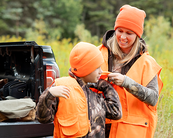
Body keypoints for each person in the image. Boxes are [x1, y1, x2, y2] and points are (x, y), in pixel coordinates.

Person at [98, 4, 163, 138]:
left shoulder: (147, 63)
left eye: (129, 33)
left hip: (128, 132)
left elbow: (153, 98)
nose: (123, 37)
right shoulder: (97, 53)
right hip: (97, 128)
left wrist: (126, 82)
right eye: (120, 30)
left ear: (138, 35)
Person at [36, 42, 122, 138]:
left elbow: (116, 113)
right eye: (97, 68)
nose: (101, 71)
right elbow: (43, 118)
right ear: (86, 69)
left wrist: (105, 86)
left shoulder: (96, 93)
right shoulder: (62, 87)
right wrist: (49, 95)